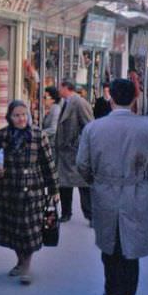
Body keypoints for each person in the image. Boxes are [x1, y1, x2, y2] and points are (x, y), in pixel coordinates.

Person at [76, 79, 148, 295]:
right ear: (135, 99)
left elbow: (82, 165)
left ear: (111, 98)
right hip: (136, 194)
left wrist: (97, 181)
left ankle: (110, 288)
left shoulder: (94, 129)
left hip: (105, 192)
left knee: (110, 245)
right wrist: (142, 177)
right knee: (130, 253)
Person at [0, 100, 59, 285]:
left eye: (24, 114)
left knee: (29, 229)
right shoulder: (3, 135)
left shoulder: (38, 135)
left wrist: (54, 189)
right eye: (16, 115)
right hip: (9, 189)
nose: (21, 118)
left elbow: (48, 164)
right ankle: (20, 261)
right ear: (10, 117)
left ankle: (26, 267)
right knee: (15, 230)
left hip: (33, 189)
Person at [55, 79, 94, 224]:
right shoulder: (65, 102)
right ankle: (66, 213)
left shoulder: (79, 103)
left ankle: (91, 215)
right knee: (64, 184)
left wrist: (77, 144)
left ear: (66, 88)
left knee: (83, 185)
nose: (58, 90)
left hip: (75, 151)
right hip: (65, 153)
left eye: (60, 87)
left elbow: (89, 126)